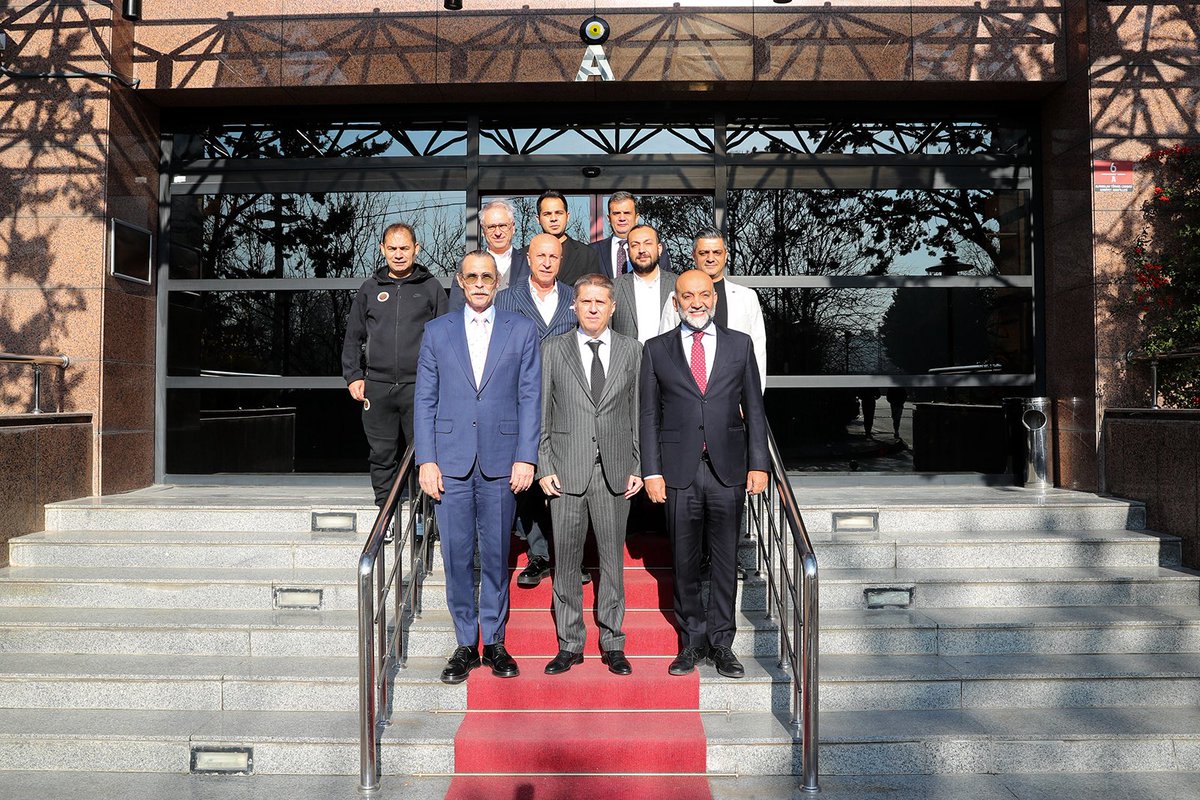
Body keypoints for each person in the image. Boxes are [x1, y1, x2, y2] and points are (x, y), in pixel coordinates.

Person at [414, 250, 541, 685]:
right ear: (460, 281)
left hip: (502, 462)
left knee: (494, 557)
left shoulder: (521, 330)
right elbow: (425, 400)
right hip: (448, 463)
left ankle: (496, 642)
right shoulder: (436, 331)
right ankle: (466, 644)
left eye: (488, 276)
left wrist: (526, 455)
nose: (481, 282)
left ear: (498, 281)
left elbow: (530, 397)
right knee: (455, 557)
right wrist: (426, 460)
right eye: (473, 276)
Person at [640, 269, 769, 679]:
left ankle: (722, 643)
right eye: (686, 296)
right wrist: (651, 471)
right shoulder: (655, 349)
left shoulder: (740, 345)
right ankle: (691, 642)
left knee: (726, 559)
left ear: (713, 298)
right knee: (684, 559)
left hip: (728, 469)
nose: (695, 302)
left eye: (702, 295)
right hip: (678, 472)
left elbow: (755, 408)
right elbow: (647, 415)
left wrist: (758, 463)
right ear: (675, 302)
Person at [537, 274, 643, 677]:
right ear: (574, 306)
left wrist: (638, 464)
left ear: (613, 307)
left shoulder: (632, 351)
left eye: (601, 301)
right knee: (565, 561)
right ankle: (570, 644)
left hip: (615, 470)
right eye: (586, 302)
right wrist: (543, 466)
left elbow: (638, 413)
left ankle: (613, 642)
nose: (594, 308)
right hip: (565, 471)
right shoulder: (553, 349)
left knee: (612, 563)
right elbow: (541, 413)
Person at [495, 233, 581, 588]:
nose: (547, 262)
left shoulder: (575, 300)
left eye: (554, 256)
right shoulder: (506, 299)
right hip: (521, 401)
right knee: (527, 480)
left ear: (561, 260)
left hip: (567, 402)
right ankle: (539, 554)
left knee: (567, 479)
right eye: (540, 255)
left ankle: (571, 557)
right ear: (527, 258)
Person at [342, 222, 448, 507]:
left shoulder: (431, 288)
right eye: (392, 248)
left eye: (404, 248)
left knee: (424, 454)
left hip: (420, 387)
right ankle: (384, 511)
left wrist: (441, 381)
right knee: (382, 454)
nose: (398, 254)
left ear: (416, 249)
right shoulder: (369, 288)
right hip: (378, 386)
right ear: (382, 250)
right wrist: (353, 376)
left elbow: (446, 340)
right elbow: (353, 336)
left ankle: (423, 516)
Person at [659, 228, 767, 391]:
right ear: (694, 256)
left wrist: (751, 399)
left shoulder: (747, 297)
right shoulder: (675, 298)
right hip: (688, 400)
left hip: (735, 400)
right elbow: (665, 351)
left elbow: (757, 352)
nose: (710, 258)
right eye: (704, 253)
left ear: (726, 255)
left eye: (717, 252)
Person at [450, 200, 530, 311]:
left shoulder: (529, 263)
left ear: (513, 227)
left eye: (502, 225)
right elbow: (456, 309)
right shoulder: (467, 264)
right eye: (491, 227)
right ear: (483, 231)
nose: (498, 233)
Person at [612, 223, 677, 344]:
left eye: (648, 243)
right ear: (628, 251)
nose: (642, 250)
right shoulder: (614, 288)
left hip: (668, 361)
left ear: (659, 249)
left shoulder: (678, 285)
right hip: (630, 362)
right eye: (635, 245)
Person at [591, 191, 671, 280]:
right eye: (616, 213)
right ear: (609, 218)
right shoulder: (593, 251)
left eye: (627, 213)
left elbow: (666, 283)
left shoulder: (656, 249)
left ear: (636, 217)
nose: (622, 218)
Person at [536, 190, 603, 286]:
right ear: (538, 219)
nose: (553, 218)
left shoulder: (587, 255)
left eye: (559, 213)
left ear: (567, 216)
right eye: (547, 214)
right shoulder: (523, 256)